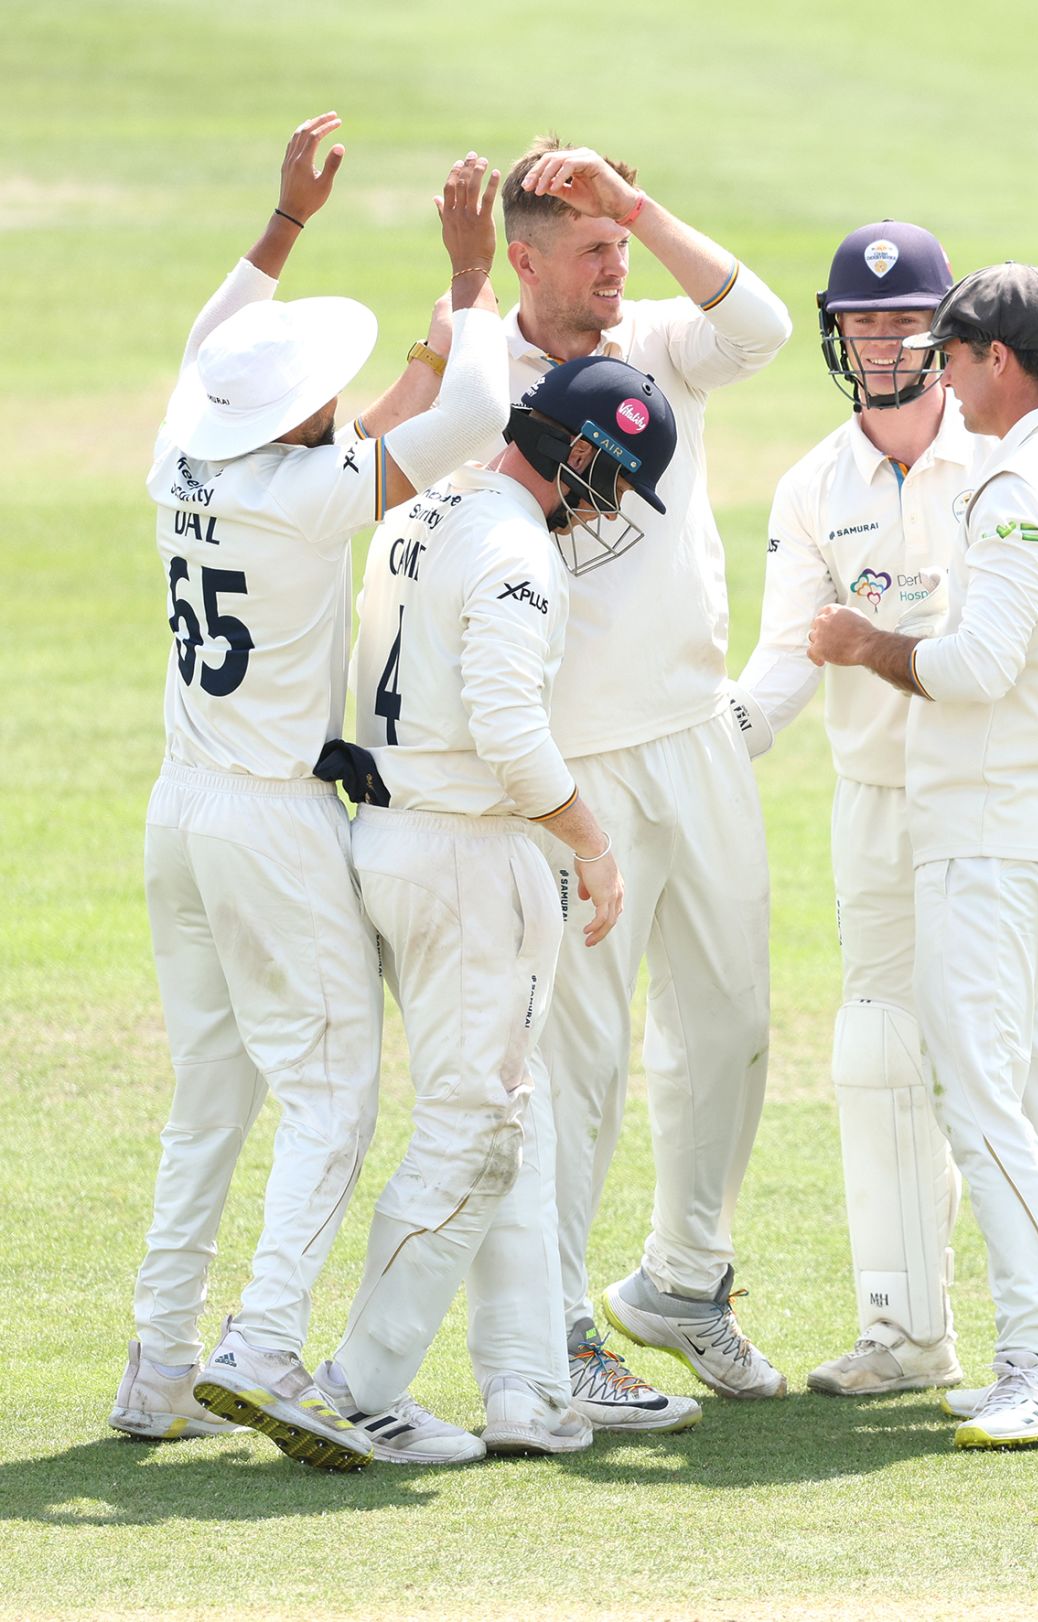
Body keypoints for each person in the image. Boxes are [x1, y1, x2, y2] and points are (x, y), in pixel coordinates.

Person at [109, 114, 511, 1472]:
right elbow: (472, 421)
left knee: (213, 1091)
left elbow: (219, 359)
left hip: (179, 810)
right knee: (334, 1092)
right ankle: (264, 1344)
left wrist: (283, 224)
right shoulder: (307, 496)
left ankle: (159, 1366)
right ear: (296, 415)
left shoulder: (188, 460)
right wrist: (469, 285)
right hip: (274, 822)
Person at [740, 224, 1038, 1414]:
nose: (898, 349)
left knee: (1015, 1081)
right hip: (971, 806)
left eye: (929, 336)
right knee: (912, 1060)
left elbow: (973, 667)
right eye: (868, 326)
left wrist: (865, 645)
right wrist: (718, 744)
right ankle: (933, 1329)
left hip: (986, 814)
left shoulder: (1010, 475)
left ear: (980, 356)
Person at [406, 137, 793, 1423]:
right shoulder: (482, 376)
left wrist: (639, 200)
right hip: (578, 765)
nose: (614, 261)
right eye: (589, 244)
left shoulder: (661, 342)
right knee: (577, 1059)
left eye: (619, 241)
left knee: (730, 1025)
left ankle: (684, 1280)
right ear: (527, 258)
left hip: (698, 729)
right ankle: (564, 1329)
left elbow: (763, 325)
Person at [307, 356, 679, 1458]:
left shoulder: (421, 508)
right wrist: (595, 848)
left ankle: (522, 1386)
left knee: (505, 1113)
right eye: (608, 481)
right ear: (573, 451)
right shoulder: (518, 552)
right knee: (475, 1126)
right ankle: (360, 1381)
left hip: (387, 832)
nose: (605, 509)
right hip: (470, 853)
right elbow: (511, 735)